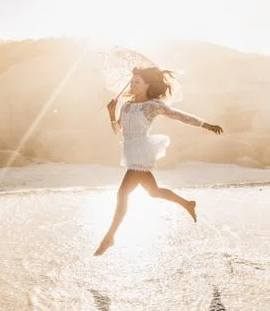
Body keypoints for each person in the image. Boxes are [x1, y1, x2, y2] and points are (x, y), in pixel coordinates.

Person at [94, 67, 223, 256]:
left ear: (148, 85)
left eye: (137, 81)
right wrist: (111, 113)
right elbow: (119, 130)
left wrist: (206, 125)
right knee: (153, 192)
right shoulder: (126, 105)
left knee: (123, 194)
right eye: (132, 81)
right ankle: (187, 204)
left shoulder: (153, 105)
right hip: (130, 152)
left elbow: (180, 116)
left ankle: (110, 237)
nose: (133, 84)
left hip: (141, 153)